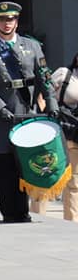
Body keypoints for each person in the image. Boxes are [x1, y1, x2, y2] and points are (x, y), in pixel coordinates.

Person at [0, 1, 58, 223]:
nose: (7, 23)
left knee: (27, 164)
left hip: (27, 112)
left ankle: (24, 210)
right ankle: (10, 211)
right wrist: (0, 108)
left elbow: (44, 77)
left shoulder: (32, 46)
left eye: (11, 19)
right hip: (2, 115)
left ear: (17, 21)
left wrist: (51, 104)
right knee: (5, 166)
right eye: (2, 19)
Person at [49, 53, 78, 222]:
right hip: (67, 133)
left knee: (74, 182)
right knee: (53, 176)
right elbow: (44, 93)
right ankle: (38, 215)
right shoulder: (64, 73)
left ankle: (72, 219)